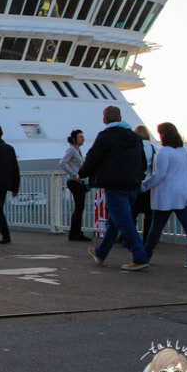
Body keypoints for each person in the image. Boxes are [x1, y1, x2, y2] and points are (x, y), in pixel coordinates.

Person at [78, 106, 149, 270]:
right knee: (115, 221)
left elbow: (93, 157)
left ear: (105, 119)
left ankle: (140, 256)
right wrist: (138, 178)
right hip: (133, 185)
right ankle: (100, 253)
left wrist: (81, 173)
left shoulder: (106, 136)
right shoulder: (135, 137)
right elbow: (143, 162)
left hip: (115, 185)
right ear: (120, 117)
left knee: (124, 222)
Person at [141, 123, 187, 268]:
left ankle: (145, 255)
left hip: (168, 195)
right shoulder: (184, 152)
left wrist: (144, 186)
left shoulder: (163, 152)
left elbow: (159, 175)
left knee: (156, 227)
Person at [60, 129, 91, 241]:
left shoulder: (77, 150)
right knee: (79, 207)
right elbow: (62, 162)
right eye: (80, 137)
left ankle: (75, 232)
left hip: (78, 181)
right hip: (74, 182)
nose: (83, 139)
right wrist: (74, 175)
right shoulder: (71, 150)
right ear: (74, 139)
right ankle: (75, 233)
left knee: (79, 207)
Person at [130, 125, 157, 243]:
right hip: (149, 184)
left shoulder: (132, 147)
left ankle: (130, 238)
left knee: (132, 213)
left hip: (134, 183)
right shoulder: (153, 148)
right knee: (149, 214)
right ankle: (147, 238)